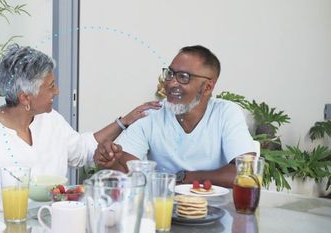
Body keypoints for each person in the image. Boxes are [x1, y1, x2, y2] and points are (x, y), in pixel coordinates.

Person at [0, 44, 161, 210]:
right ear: (25, 97)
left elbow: (83, 149)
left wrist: (124, 121)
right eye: (50, 86)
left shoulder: (51, 121)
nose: (57, 91)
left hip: (52, 228)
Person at [94, 45, 255, 188]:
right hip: (165, 210)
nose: (171, 83)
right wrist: (110, 161)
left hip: (218, 212)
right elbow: (126, 170)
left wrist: (187, 177)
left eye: (183, 77)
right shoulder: (152, 114)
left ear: (207, 87)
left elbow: (245, 173)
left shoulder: (226, 113)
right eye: (170, 74)